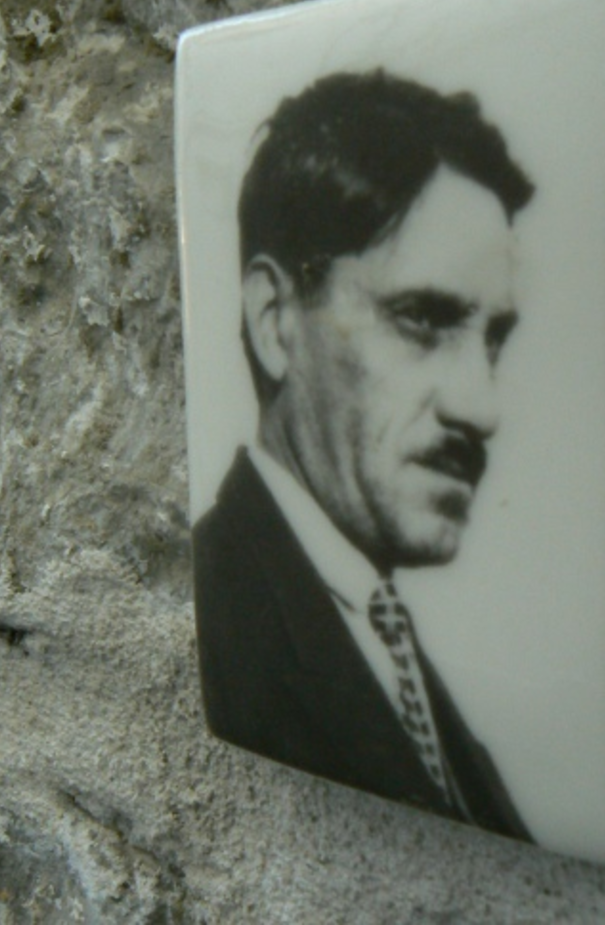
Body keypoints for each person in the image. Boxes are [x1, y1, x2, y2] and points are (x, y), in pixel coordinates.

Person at [192, 70, 535, 840]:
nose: (482, 408)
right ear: (276, 322)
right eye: (422, 318)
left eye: (493, 340)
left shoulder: (380, 638)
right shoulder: (224, 616)